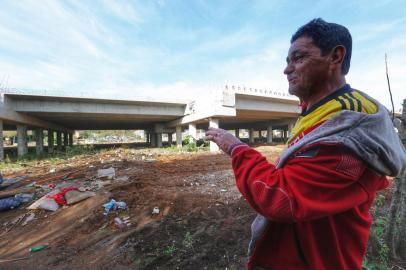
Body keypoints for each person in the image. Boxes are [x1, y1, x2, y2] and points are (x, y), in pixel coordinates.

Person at [206, 18, 406, 270]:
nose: (287, 69)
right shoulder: (318, 109)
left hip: (321, 260)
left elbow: (281, 197)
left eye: (298, 58)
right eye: (287, 61)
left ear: (335, 57)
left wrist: (237, 148)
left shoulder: (347, 130)